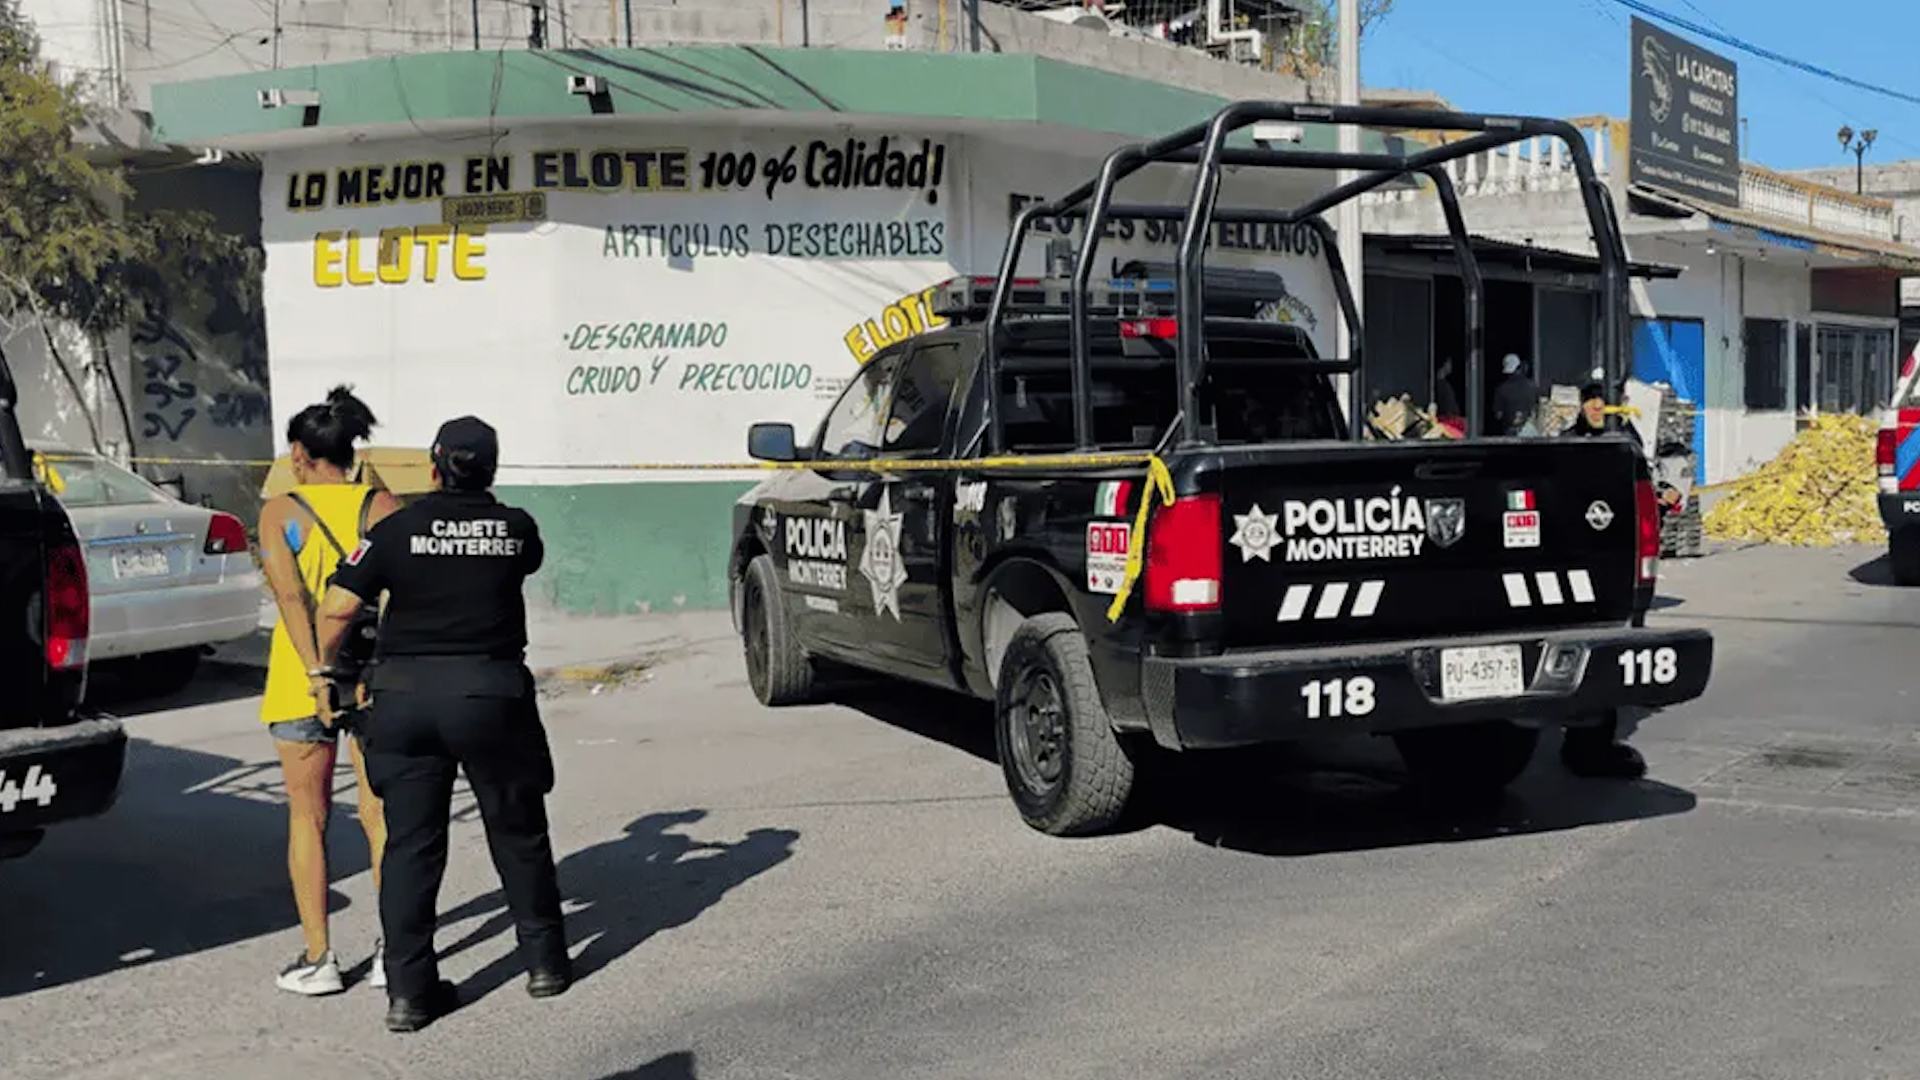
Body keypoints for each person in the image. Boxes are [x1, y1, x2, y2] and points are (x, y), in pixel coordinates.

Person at [314, 416, 569, 1033]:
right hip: (490, 695)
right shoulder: (517, 529)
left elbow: (338, 605)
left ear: (433, 467)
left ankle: (409, 993)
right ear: (491, 468)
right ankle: (544, 965)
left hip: (405, 702)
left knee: (412, 846)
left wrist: (326, 671)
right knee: (518, 830)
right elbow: (524, 563)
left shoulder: (394, 529)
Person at [256, 385, 403, 995]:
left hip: (299, 681)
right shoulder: (383, 507)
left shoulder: (279, 513)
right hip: (375, 678)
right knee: (381, 814)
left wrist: (318, 670)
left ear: (299, 453)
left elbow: (291, 599)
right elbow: (400, 596)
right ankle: (395, 950)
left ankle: (319, 959)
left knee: (308, 819)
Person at [1556, 380, 1682, 780]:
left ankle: (1592, 742)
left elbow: (1643, 491)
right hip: (1574, 559)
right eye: (1589, 400)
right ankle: (1581, 737)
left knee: (1612, 647)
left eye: (1601, 402)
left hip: (1616, 558)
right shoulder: (1566, 443)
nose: (1595, 408)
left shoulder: (1624, 442)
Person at [1490, 353, 1539, 436]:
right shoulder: (1533, 387)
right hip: (1532, 431)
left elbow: (1498, 415)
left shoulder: (1501, 389)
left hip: (1510, 432)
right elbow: (1539, 408)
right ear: (1520, 367)